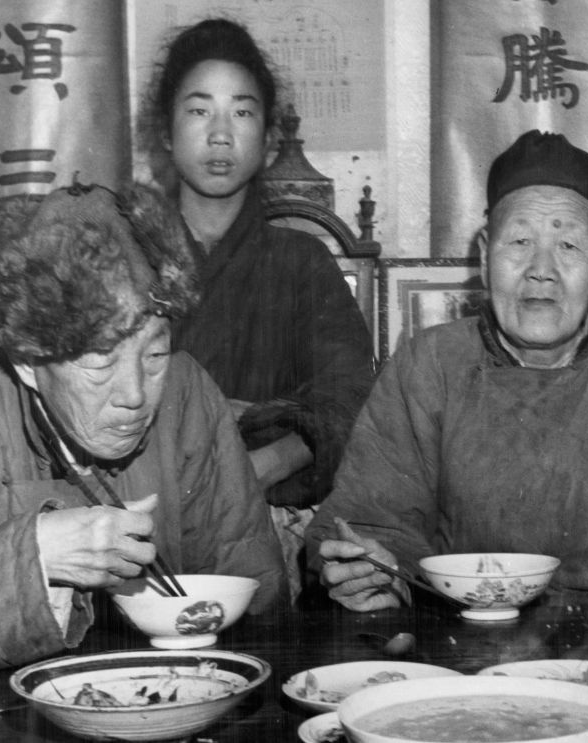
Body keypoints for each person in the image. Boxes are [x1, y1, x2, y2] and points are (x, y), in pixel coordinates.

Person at [306, 130, 588, 616]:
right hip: (457, 648)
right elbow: (370, 524)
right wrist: (374, 571)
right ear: (484, 256)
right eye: (520, 241)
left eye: (568, 245)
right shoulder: (428, 366)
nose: (540, 269)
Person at [0, 181, 285, 669]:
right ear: (30, 362)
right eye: (100, 364)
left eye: (155, 354)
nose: (136, 394)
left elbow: (252, 589)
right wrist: (35, 554)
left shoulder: (185, 395)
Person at [142, 18, 374, 595]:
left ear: (270, 137)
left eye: (242, 112)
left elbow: (349, 403)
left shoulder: (303, 264)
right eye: (199, 110)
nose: (221, 134)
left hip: (267, 524)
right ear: (166, 132)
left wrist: (255, 464)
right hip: (138, 522)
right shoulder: (125, 256)